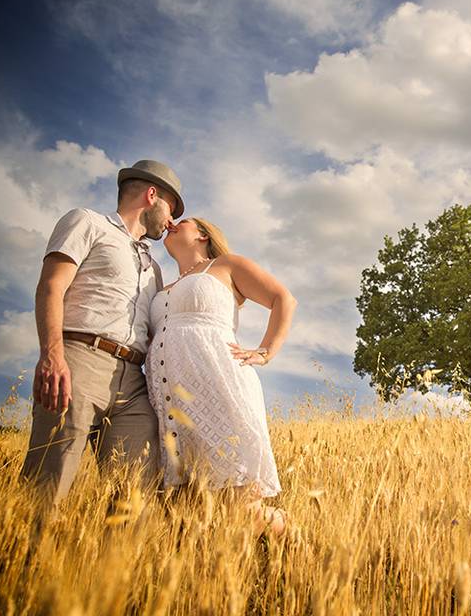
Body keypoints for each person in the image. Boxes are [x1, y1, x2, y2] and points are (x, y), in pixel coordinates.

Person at [20, 159, 183, 505]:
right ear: (152, 195)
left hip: (134, 382)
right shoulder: (87, 222)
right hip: (80, 361)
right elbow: (51, 286)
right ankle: (27, 555)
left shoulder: (153, 268)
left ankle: (117, 560)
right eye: (172, 207)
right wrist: (52, 357)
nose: (173, 220)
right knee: (49, 484)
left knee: (136, 494)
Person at [145, 216, 296, 536]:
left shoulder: (225, 265)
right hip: (172, 404)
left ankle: (293, 541)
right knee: (189, 509)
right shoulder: (161, 287)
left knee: (240, 508)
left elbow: (283, 299)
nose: (170, 222)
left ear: (202, 234)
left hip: (220, 390)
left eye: (181, 221)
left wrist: (265, 351)